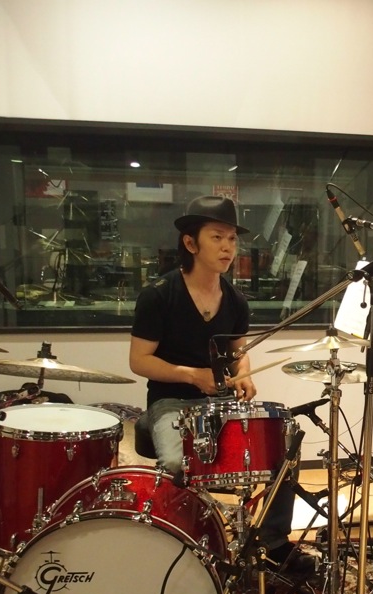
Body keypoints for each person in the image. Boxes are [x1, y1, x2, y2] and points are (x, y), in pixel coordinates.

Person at [130, 195, 311, 574]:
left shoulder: (235, 301)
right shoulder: (159, 295)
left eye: (232, 238)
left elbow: (238, 352)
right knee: (176, 464)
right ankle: (178, 545)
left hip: (221, 403)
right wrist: (191, 375)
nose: (228, 247)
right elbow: (139, 360)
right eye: (217, 237)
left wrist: (245, 375)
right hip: (170, 402)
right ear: (191, 243)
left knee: (283, 453)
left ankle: (275, 542)